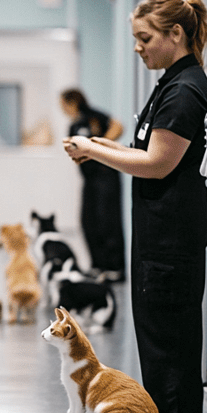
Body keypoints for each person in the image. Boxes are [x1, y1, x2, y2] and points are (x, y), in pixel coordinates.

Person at [63, 0, 207, 413]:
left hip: (172, 229)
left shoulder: (184, 90)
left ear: (176, 34)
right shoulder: (172, 82)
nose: (137, 47)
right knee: (159, 318)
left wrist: (91, 147)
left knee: (167, 321)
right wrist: (101, 147)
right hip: (162, 224)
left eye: (144, 38)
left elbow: (158, 163)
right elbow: (146, 150)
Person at [59, 88, 126, 281]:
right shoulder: (75, 124)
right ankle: (98, 266)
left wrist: (99, 146)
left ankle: (114, 268)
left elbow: (118, 126)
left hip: (106, 177)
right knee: (89, 221)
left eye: (63, 104)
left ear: (72, 102)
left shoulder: (94, 117)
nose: (62, 108)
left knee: (108, 221)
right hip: (89, 179)